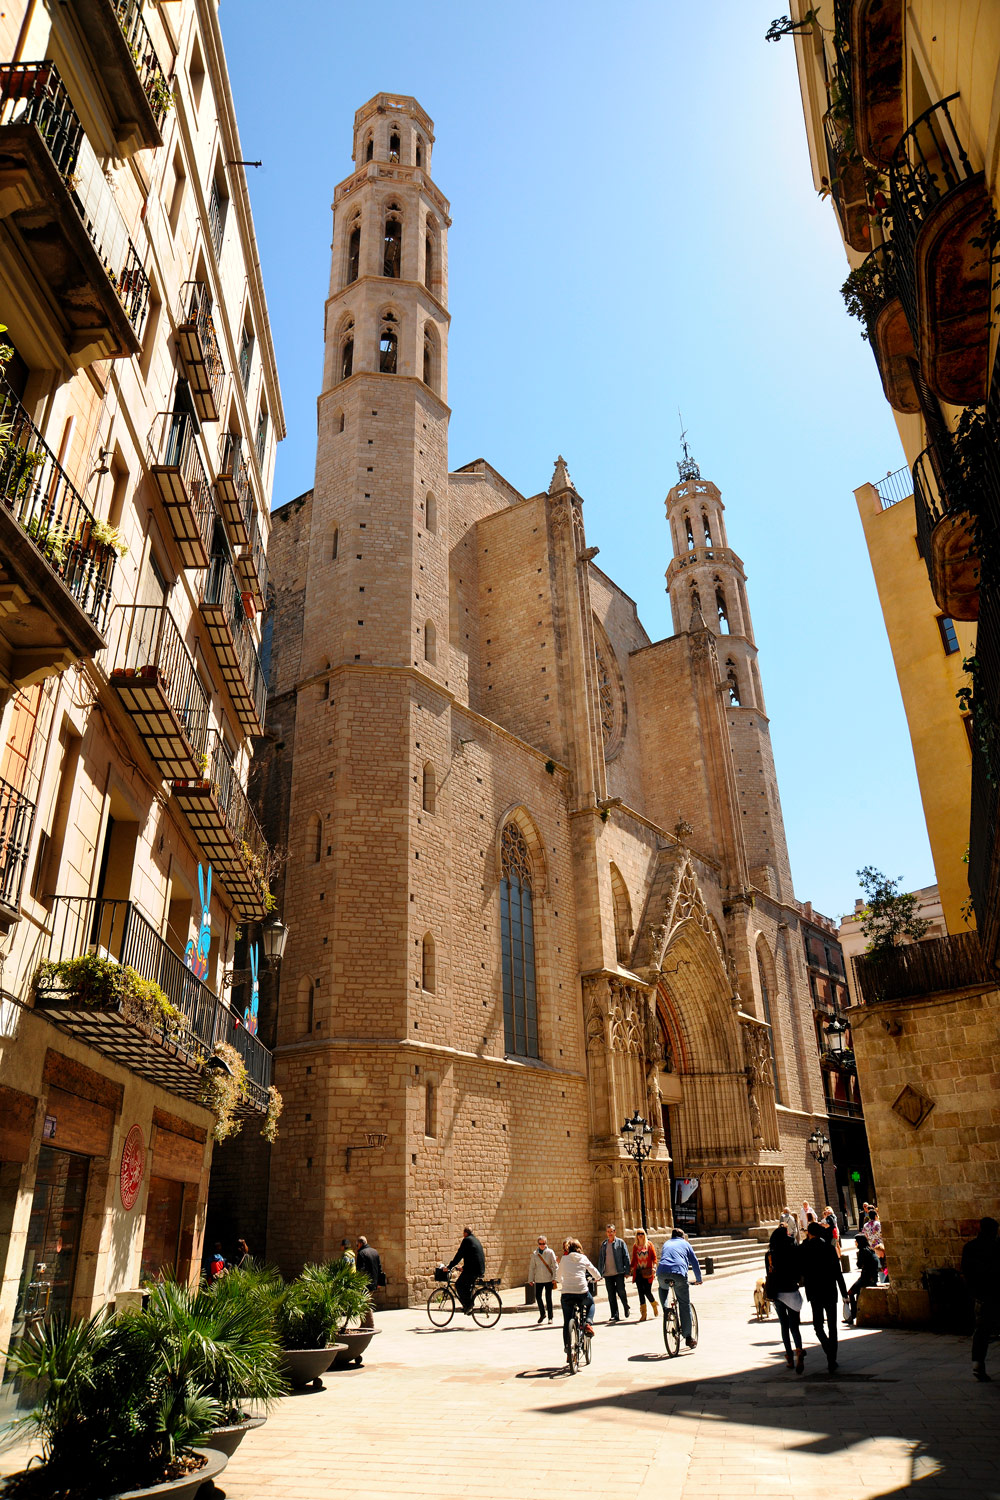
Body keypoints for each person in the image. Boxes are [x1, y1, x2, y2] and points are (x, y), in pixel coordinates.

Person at [799, 1220, 848, 1372]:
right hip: (830, 1291)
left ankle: (828, 1350)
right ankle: (831, 1358)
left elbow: (800, 1270)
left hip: (814, 1292)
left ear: (809, 1232)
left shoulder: (804, 1248)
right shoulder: (829, 1248)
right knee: (832, 1327)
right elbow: (837, 1273)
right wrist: (844, 1293)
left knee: (818, 1326)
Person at [961, 1216, 1000, 1382]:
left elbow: (966, 1271)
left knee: (981, 1331)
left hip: (981, 1295)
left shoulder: (970, 1247)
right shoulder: (997, 1247)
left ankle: (977, 1364)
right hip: (996, 1293)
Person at [765, 1222, 804, 1371]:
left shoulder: (770, 1254)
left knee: (784, 1326)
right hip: (792, 1290)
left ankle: (789, 1357)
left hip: (778, 1293)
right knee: (795, 1326)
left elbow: (769, 1274)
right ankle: (799, 1350)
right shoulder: (793, 1251)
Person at [656, 1228, 702, 1349]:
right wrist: (699, 1279)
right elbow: (694, 1262)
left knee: (662, 1288)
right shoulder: (685, 1243)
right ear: (682, 1237)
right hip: (679, 1274)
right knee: (684, 1303)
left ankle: (666, 1309)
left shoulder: (667, 1243)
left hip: (662, 1274)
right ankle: (688, 1337)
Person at [558, 1237, 599, 1342]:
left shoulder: (564, 1259)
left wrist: (564, 1282)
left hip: (567, 1292)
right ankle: (588, 1323)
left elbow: (558, 1277)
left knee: (567, 1321)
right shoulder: (583, 1258)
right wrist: (597, 1278)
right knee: (591, 1303)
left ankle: (568, 1351)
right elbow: (595, 1272)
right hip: (581, 1292)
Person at [597, 1222, 631, 1322]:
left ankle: (626, 1306)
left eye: (611, 1231)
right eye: (608, 1232)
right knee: (611, 1295)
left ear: (615, 1232)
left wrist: (627, 1271)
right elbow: (601, 1259)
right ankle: (614, 1314)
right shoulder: (603, 1244)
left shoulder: (620, 1243)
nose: (610, 1233)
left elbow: (626, 1257)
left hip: (619, 1272)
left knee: (621, 1291)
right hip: (608, 1274)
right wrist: (599, 1274)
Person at [447, 1226, 485, 1315]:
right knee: (466, 1285)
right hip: (478, 1268)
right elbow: (472, 1257)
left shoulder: (466, 1240)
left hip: (473, 1270)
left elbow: (459, 1255)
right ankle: (469, 1305)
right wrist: (463, 1268)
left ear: (465, 1233)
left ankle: (468, 1305)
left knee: (459, 1285)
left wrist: (449, 1267)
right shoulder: (475, 1240)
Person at [844, 1234, 879, 1325]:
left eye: (856, 1241)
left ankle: (853, 1315)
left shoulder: (863, 1251)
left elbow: (859, 1265)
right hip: (872, 1278)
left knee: (850, 1293)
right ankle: (855, 1313)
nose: (855, 1243)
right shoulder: (870, 1250)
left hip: (865, 1278)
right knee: (857, 1294)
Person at [528, 1234, 559, 1324]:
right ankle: (542, 1313)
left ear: (546, 1243)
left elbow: (555, 1266)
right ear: (538, 1244)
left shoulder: (550, 1252)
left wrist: (555, 1278)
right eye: (540, 1243)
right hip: (538, 1279)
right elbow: (532, 1267)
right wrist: (530, 1279)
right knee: (538, 1297)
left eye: (543, 1243)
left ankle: (550, 1317)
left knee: (548, 1298)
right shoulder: (535, 1254)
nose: (542, 1245)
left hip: (548, 1279)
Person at [630, 1229, 658, 1321]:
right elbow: (634, 1259)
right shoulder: (635, 1246)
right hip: (638, 1272)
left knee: (647, 1291)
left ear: (644, 1235)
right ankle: (644, 1314)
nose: (640, 1235)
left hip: (648, 1272)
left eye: (642, 1234)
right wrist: (630, 1268)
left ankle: (654, 1304)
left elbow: (654, 1258)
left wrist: (654, 1268)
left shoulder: (649, 1245)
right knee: (640, 1293)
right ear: (636, 1236)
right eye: (638, 1234)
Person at [356, 1236, 382, 1327]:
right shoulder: (374, 1252)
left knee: (365, 1303)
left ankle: (370, 1324)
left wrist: (358, 1282)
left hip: (365, 1283)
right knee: (366, 1302)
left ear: (360, 1243)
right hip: (373, 1282)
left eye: (357, 1245)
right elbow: (379, 1268)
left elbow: (360, 1270)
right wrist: (379, 1282)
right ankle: (364, 1323)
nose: (357, 1247)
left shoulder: (361, 1253)